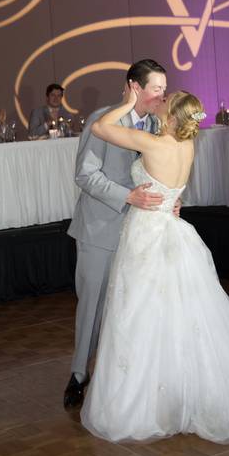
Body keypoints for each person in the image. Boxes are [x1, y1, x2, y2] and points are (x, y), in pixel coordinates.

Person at [80, 87, 229, 443]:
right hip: (173, 230)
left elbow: (100, 127)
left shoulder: (154, 144)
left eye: (164, 101)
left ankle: (148, 405)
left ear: (173, 116)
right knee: (182, 316)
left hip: (147, 236)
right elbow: (172, 191)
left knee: (142, 316)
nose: (158, 102)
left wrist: (128, 104)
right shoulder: (186, 145)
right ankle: (179, 395)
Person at [64, 59, 167, 410]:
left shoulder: (156, 125)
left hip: (138, 232)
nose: (161, 97)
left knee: (130, 308)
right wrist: (127, 196)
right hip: (99, 230)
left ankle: (122, 380)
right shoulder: (102, 120)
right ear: (135, 87)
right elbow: (85, 175)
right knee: (92, 308)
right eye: (156, 89)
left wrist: (169, 200)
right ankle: (79, 374)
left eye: (164, 91)